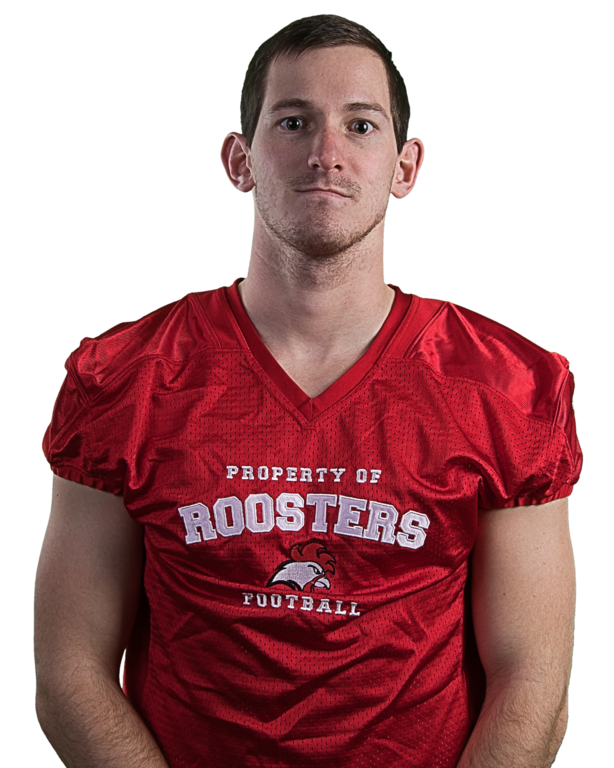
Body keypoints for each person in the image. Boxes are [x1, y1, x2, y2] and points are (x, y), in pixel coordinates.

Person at [34, 14, 583, 768]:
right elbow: (70, 673)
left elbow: (532, 685)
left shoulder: (506, 383)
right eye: (293, 122)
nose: (327, 152)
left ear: (406, 167)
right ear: (239, 160)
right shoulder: (124, 376)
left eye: (361, 125)